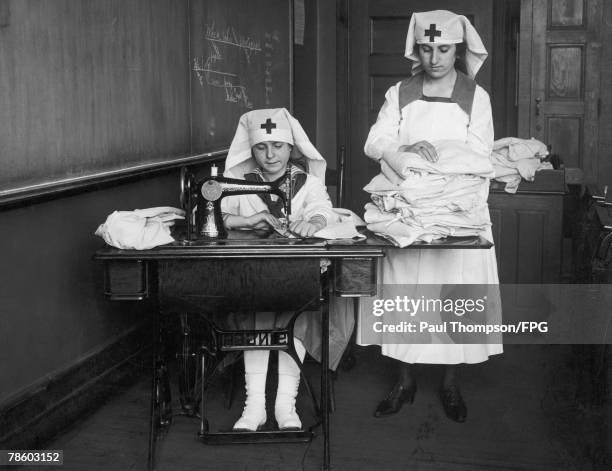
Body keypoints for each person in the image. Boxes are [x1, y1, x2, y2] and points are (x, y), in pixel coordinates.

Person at [360, 10, 502, 423]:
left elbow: (479, 154)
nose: (435, 57)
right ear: (416, 49)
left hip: (457, 209)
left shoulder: (477, 97)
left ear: (458, 49)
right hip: (409, 209)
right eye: (426, 48)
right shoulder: (399, 92)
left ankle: (450, 384)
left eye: (444, 49)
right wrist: (406, 150)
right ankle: (404, 381)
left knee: (453, 296)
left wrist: (435, 160)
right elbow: (376, 140)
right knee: (405, 296)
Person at [220, 107, 344, 431]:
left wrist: (313, 220)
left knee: (299, 314)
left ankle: (284, 404)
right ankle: (254, 405)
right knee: (255, 315)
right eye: (261, 147)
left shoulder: (306, 183)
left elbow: (324, 211)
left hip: (296, 278)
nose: (270, 154)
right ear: (252, 150)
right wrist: (247, 221)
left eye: (277, 146)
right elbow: (216, 218)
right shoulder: (239, 184)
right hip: (253, 276)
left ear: (291, 148)